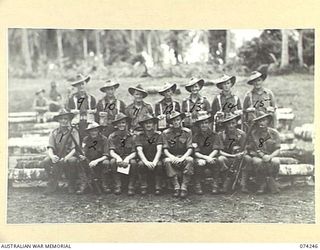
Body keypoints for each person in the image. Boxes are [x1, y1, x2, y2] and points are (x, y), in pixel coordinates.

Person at [39, 109, 83, 194]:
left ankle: (71, 184)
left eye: (66, 119)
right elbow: (50, 147)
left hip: (70, 155)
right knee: (46, 161)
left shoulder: (73, 131)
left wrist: (66, 157)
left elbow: (75, 148)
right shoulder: (54, 132)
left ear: (69, 120)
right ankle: (53, 183)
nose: (63, 121)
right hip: (57, 155)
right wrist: (52, 156)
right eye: (61, 119)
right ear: (58, 120)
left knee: (72, 161)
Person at [247, 111, 281, 194]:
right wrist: (260, 155)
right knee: (258, 162)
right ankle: (261, 184)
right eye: (259, 121)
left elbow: (278, 149)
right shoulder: (254, 133)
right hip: (258, 156)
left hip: (270, 155)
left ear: (268, 121)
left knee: (276, 162)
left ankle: (271, 181)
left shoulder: (274, 133)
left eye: (263, 120)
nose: (261, 123)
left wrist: (270, 156)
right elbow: (251, 148)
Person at [162, 111, 194, 198]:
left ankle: (184, 187)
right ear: (171, 123)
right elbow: (165, 149)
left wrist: (182, 158)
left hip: (183, 156)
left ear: (181, 120)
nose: (176, 122)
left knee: (190, 160)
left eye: (178, 120)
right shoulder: (166, 133)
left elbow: (190, 148)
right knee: (167, 161)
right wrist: (172, 157)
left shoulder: (187, 132)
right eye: (173, 121)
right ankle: (176, 186)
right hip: (172, 156)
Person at [217, 113, 251, 193]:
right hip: (228, 158)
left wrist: (241, 154)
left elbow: (245, 149)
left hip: (239, 158)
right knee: (221, 159)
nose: (231, 126)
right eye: (229, 124)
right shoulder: (221, 135)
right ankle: (226, 183)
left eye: (233, 123)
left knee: (248, 159)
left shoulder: (241, 134)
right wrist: (232, 156)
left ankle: (243, 184)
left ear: (236, 123)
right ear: (226, 125)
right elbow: (220, 151)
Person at [193, 112, 223, 194]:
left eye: (206, 123)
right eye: (202, 123)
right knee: (197, 164)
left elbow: (216, 149)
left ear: (209, 124)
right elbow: (196, 152)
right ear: (199, 125)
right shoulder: (196, 136)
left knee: (216, 162)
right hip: (201, 157)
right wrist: (205, 158)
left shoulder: (214, 135)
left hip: (211, 156)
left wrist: (209, 158)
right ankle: (197, 185)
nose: (204, 125)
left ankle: (215, 184)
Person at [108, 113, 138, 196]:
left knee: (133, 163)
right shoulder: (112, 136)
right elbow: (111, 151)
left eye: (123, 123)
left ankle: (131, 186)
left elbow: (135, 152)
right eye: (119, 123)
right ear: (116, 125)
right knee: (113, 161)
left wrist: (127, 158)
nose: (121, 125)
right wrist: (117, 157)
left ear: (126, 124)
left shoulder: (132, 136)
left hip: (129, 157)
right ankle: (118, 185)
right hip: (118, 157)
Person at [77, 122, 110, 195]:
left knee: (106, 163)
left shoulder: (104, 139)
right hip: (89, 160)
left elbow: (106, 155)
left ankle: (104, 184)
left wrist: (96, 161)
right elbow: (84, 151)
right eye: (91, 131)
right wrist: (83, 156)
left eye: (95, 130)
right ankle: (84, 184)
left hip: (101, 160)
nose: (93, 133)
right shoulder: (86, 139)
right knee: (81, 162)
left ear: (98, 131)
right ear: (89, 132)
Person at [135, 114, 164, 195]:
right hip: (144, 158)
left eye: (150, 123)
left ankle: (158, 186)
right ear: (143, 125)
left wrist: (154, 162)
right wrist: (146, 162)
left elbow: (159, 149)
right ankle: (143, 186)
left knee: (159, 165)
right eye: (146, 123)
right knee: (141, 164)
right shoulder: (139, 136)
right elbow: (139, 150)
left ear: (154, 124)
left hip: (155, 158)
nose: (148, 125)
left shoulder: (158, 135)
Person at [67, 74, 97, 141]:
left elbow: (96, 111)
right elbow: (67, 111)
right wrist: (72, 111)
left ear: (85, 84)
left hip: (89, 123)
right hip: (77, 123)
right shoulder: (72, 98)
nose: (81, 86)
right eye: (79, 84)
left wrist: (92, 112)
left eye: (82, 84)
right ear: (76, 86)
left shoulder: (91, 98)